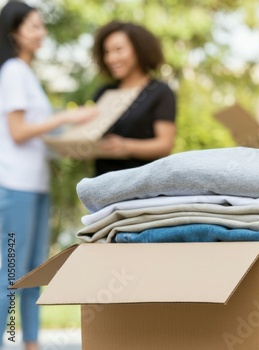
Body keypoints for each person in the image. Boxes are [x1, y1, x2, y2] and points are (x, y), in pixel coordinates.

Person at [0, 2, 97, 350]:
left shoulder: (27, 73)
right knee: (12, 272)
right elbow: (18, 131)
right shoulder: (12, 70)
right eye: (33, 27)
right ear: (13, 33)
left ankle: (30, 343)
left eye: (42, 26)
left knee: (32, 272)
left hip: (36, 185)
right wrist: (65, 119)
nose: (41, 33)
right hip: (16, 186)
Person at [91, 21, 176, 176]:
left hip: (143, 185)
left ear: (139, 49)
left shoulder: (159, 92)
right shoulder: (104, 92)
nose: (111, 58)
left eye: (118, 50)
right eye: (107, 52)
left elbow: (165, 144)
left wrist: (126, 146)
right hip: (104, 184)